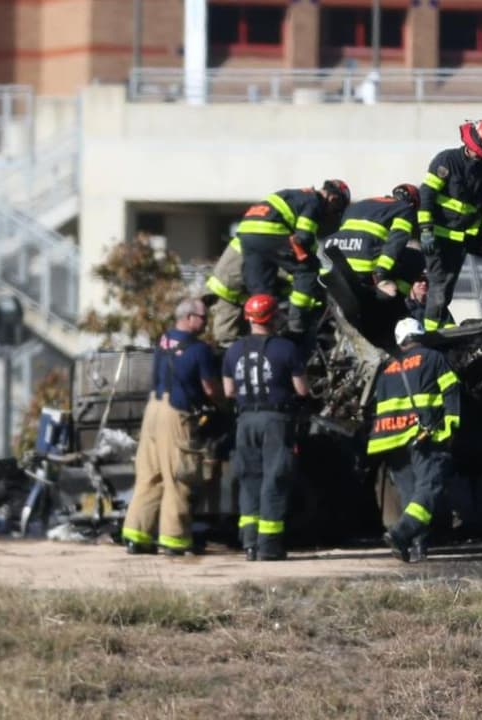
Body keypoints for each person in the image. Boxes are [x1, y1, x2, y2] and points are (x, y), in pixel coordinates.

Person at [122, 297, 222, 556]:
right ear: (189, 318)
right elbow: (210, 388)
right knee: (179, 476)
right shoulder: (200, 350)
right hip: (176, 415)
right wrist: (225, 405)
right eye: (203, 318)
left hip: (152, 411)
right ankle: (174, 539)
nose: (206, 323)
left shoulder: (164, 341)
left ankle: (136, 535)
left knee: (149, 476)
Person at [221, 294, 311, 561]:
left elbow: (228, 391)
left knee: (249, 479)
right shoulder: (286, 349)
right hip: (275, 420)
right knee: (275, 478)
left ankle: (249, 544)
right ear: (272, 317)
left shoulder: (233, 350)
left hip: (245, 421)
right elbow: (302, 389)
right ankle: (269, 546)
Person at [368, 317, 462, 562]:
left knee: (410, 494)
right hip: (423, 436)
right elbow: (451, 391)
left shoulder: (388, 369)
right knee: (429, 488)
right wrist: (450, 427)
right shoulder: (433, 358)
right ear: (421, 336)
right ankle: (401, 533)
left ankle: (416, 546)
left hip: (391, 440)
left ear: (400, 342)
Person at [418, 119, 482, 331]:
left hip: (464, 239)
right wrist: (426, 230)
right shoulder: (446, 160)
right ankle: (431, 336)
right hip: (439, 239)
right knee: (439, 289)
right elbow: (426, 196)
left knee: (447, 291)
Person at [234, 180, 351, 336]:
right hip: (270, 230)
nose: (332, 214)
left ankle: (262, 332)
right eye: (336, 210)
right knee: (307, 270)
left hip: (246, 232)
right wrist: (316, 260)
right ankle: (296, 325)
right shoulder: (314, 201)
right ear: (333, 199)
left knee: (261, 289)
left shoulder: (296, 195)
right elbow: (304, 237)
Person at [323, 183, 420, 295]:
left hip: (337, 261)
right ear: (412, 203)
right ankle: (399, 302)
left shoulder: (358, 204)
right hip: (364, 265)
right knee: (415, 257)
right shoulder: (405, 208)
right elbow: (396, 242)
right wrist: (381, 273)